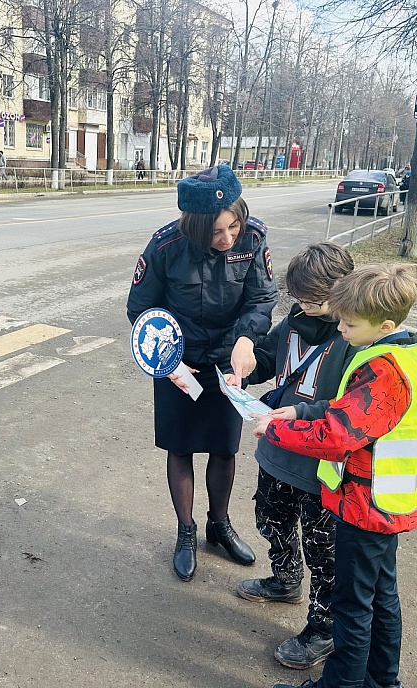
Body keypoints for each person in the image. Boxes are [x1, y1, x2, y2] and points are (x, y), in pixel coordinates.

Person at [253, 263, 417, 688]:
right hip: (390, 502)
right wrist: (298, 411)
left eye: (349, 323)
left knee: (351, 607)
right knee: (381, 599)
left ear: (385, 324)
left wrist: (277, 429)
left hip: (365, 505)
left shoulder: (383, 370)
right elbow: (347, 415)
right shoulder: (411, 354)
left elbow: (338, 435)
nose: (340, 328)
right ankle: (381, 681)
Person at [126, 164, 278, 582]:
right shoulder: (166, 246)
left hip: (228, 363)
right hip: (178, 361)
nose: (227, 238)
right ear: (194, 227)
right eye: (215, 232)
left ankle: (219, 525)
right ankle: (186, 531)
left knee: (224, 448)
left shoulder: (253, 237)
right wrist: (168, 363)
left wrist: (246, 339)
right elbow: (140, 309)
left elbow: (262, 297)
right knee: (181, 447)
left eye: (233, 226)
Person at [236, 242, 355, 671]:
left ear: (343, 292)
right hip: (277, 449)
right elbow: (272, 358)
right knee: (271, 518)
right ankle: (285, 580)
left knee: (323, 550)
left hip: (319, 465)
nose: (304, 307)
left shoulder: (354, 338)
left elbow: (351, 409)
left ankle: (323, 629)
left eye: (314, 300)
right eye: (299, 299)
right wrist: (246, 366)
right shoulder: (295, 320)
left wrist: (302, 414)